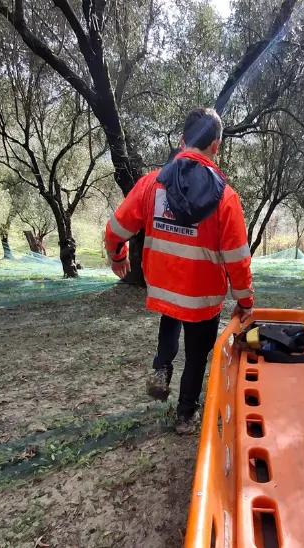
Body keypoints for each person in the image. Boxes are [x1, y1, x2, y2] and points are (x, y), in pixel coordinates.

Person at [104, 107, 254, 433]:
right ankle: (186, 416)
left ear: (183, 140)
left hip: (164, 287)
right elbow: (238, 260)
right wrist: (245, 303)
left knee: (170, 317)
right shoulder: (226, 199)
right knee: (197, 356)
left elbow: (115, 228)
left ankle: (161, 367)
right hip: (203, 297)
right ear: (216, 145)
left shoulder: (150, 185)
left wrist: (117, 256)